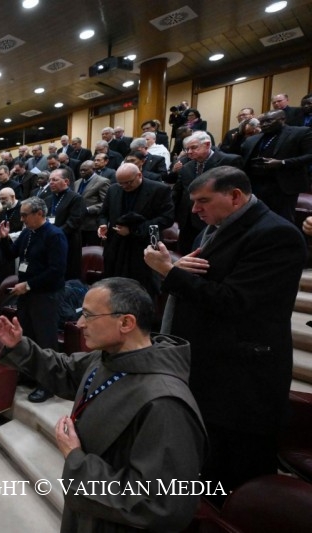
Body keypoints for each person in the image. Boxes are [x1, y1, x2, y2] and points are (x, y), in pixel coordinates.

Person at [0, 277, 206, 532]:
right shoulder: (110, 357)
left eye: (90, 316)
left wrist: (76, 460)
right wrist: (20, 347)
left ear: (126, 322)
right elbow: (66, 371)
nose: (79, 323)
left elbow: (160, 504)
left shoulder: (165, 404)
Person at [144, 166, 306, 503]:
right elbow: (207, 281)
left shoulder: (276, 234)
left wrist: (170, 272)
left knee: (240, 478)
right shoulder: (215, 229)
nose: (194, 210)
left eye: (203, 200)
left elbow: (235, 301)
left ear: (235, 196)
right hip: (209, 366)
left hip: (243, 378)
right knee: (207, 464)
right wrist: (176, 266)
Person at [0, 197, 67, 403]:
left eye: (24, 215)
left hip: (46, 295)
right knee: (27, 335)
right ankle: (29, 374)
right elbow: (12, 254)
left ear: (39, 214)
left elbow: (56, 271)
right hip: (27, 295)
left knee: (45, 340)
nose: (22, 219)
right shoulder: (28, 232)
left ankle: (48, 384)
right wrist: (4, 239)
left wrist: (28, 285)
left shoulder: (55, 235)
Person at [97, 163, 174, 300]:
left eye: (128, 182)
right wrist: (103, 225)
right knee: (114, 289)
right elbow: (103, 213)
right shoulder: (114, 189)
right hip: (115, 246)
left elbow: (166, 219)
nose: (125, 186)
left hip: (143, 248)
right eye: (121, 183)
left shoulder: (159, 190)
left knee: (140, 291)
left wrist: (133, 230)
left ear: (139, 175)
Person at [168, 131, 243, 254]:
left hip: (216, 217)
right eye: (187, 149)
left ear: (207, 145)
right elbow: (178, 192)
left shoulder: (229, 161)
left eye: (193, 147)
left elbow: (236, 191)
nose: (189, 152)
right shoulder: (186, 167)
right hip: (188, 220)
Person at [241, 109, 312, 222]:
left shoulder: (300, 132)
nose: (264, 124)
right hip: (256, 184)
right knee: (256, 219)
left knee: (282, 220)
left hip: (284, 185)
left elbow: (309, 156)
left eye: (269, 121)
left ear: (282, 119)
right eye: (262, 122)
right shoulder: (255, 138)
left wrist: (282, 163)